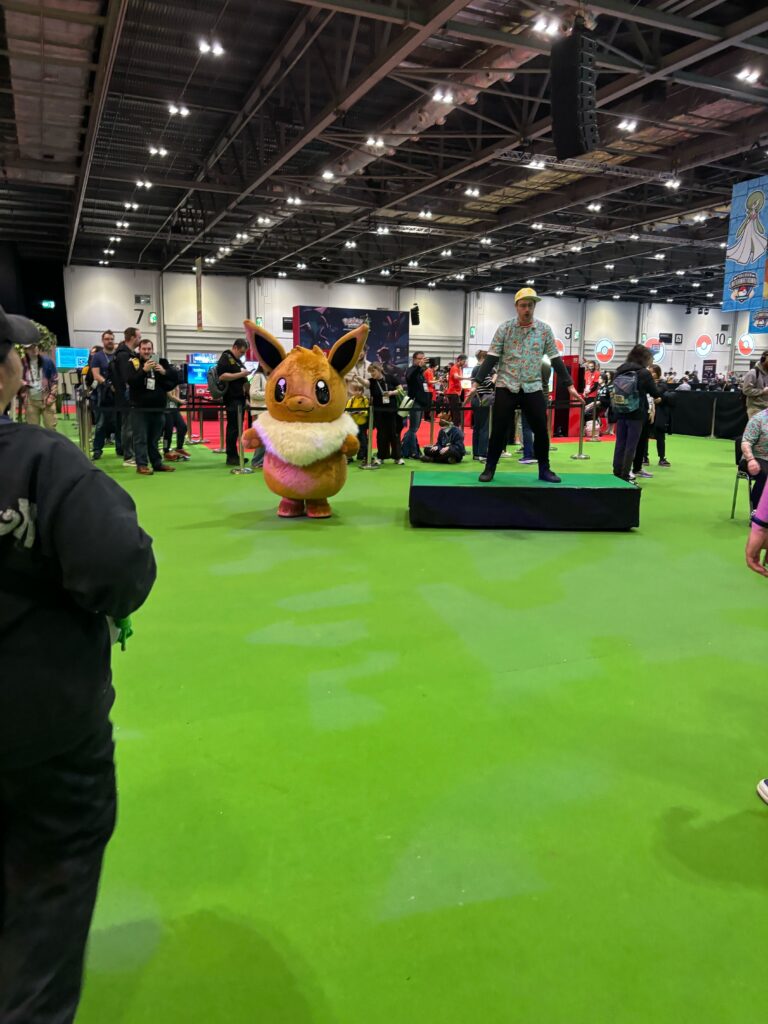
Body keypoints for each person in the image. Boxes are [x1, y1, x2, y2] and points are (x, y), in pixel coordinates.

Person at [0, 306, 157, 1024]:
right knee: (40, 930)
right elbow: (121, 570)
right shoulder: (42, 459)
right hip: (44, 742)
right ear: (7, 370)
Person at [474, 288, 582, 484]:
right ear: (516, 307)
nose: (527, 309)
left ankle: (544, 470)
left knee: (541, 430)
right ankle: (489, 468)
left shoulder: (544, 330)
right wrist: (476, 382)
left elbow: (556, 359)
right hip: (506, 385)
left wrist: (569, 385)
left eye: (530, 305)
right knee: (498, 429)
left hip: (532, 386)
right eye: (523, 305)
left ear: (534, 307)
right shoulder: (504, 328)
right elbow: (491, 358)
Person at [125, 339, 178, 475]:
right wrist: (144, 371)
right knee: (140, 438)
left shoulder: (161, 362)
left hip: (158, 408)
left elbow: (175, 378)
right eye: (144, 349)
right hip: (140, 408)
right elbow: (131, 382)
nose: (147, 351)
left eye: (149, 349)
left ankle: (157, 463)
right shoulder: (133, 363)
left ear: (152, 349)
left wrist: (164, 372)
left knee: (154, 439)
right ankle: (141, 465)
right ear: (139, 349)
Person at [611, 344, 659, 481]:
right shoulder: (643, 373)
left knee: (620, 443)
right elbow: (655, 392)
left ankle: (616, 472)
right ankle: (625, 475)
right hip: (636, 413)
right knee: (631, 445)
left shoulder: (620, 370)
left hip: (621, 411)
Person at [217, 338, 250, 466]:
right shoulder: (226, 357)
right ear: (235, 347)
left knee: (237, 429)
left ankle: (235, 455)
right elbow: (222, 376)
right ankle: (231, 456)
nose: (242, 354)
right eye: (241, 352)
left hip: (240, 398)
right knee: (233, 429)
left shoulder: (236, 361)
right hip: (232, 399)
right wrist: (241, 375)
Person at [111, 327, 141, 467]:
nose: (140, 340)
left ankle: (132, 454)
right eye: (139, 337)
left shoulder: (129, 353)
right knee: (128, 427)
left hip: (129, 395)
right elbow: (126, 377)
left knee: (131, 426)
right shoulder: (123, 355)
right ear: (133, 337)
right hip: (126, 396)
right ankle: (128, 456)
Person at [90, 330, 118, 460]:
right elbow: (96, 375)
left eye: (111, 339)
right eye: (107, 339)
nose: (110, 341)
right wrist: (108, 384)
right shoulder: (98, 357)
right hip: (103, 394)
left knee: (119, 422)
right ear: (103, 341)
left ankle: (121, 448)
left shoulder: (118, 355)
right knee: (101, 423)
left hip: (119, 393)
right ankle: (97, 449)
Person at [369, 361, 403, 464]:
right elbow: (364, 383)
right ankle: (381, 457)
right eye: (370, 372)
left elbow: (401, 390)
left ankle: (397, 457)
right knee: (381, 434)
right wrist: (357, 379)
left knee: (394, 433)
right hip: (379, 412)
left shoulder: (391, 378)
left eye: (373, 371)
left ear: (379, 369)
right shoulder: (371, 381)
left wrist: (392, 393)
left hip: (392, 411)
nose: (372, 374)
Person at [20, 338, 58, 430]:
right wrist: (24, 395)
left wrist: (51, 396)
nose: (34, 349)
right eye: (30, 348)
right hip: (31, 401)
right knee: (33, 430)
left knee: (51, 429)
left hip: (47, 399)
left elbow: (55, 380)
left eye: (35, 346)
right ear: (26, 350)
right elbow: (18, 379)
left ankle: (50, 444)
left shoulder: (47, 361)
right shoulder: (22, 363)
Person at [402, 351, 430, 459]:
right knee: (413, 428)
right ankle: (413, 451)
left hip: (420, 402)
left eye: (423, 358)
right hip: (415, 402)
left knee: (414, 428)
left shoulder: (420, 372)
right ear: (414, 359)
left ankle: (407, 449)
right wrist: (418, 367)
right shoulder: (411, 370)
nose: (422, 360)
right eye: (419, 358)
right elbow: (410, 377)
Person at [161, 361, 190, 462]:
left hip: (174, 409)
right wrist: (180, 400)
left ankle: (179, 447)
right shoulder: (165, 380)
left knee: (183, 427)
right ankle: (165, 451)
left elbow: (176, 392)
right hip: (166, 410)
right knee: (168, 431)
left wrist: (177, 395)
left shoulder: (175, 382)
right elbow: (169, 394)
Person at [469, 349, 494, 461]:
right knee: (484, 427)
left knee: (477, 427)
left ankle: (476, 453)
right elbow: (489, 384)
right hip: (484, 399)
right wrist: (495, 377)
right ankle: (483, 453)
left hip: (476, 398)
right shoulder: (482, 369)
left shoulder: (475, 369)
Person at [741, 407, 768, 510]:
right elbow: (746, 442)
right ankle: (757, 513)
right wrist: (751, 459)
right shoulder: (758, 419)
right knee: (765, 475)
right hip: (755, 457)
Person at [647, 364, 672, 468]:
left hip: (659, 413)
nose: (651, 374)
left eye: (653, 372)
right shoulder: (646, 383)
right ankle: (644, 458)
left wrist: (661, 399)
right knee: (645, 437)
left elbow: (660, 393)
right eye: (650, 372)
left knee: (660, 437)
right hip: (648, 412)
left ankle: (662, 458)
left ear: (658, 373)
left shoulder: (663, 384)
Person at [741, 351, 768, 419]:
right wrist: (762, 391)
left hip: (766, 408)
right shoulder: (753, 373)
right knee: (756, 429)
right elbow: (746, 390)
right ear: (763, 359)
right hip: (755, 409)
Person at [446, 353, 467, 427]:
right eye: (464, 361)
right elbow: (456, 377)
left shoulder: (459, 368)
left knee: (455, 412)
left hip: (456, 392)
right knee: (456, 412)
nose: (465, 363)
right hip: (453, 392)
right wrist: (467, 378)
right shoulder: (454, 368)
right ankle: (456, 428)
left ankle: (455, 427)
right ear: (459, 360)